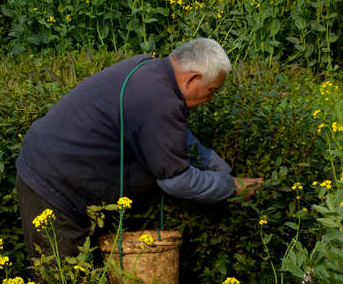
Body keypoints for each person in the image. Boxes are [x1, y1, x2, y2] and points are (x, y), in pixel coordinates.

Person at [16, 38, 263, 260]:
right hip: (52, 185)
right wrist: (230, 187)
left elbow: (175, 136)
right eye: (212, 91)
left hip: (66, 175)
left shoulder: (152, 70)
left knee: (97, 282)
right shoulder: (159, 99)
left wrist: (219, 167)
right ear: (192, 79)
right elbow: (175, 180)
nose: (210, 99)